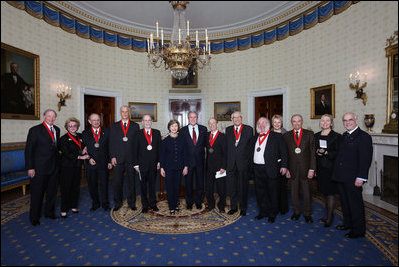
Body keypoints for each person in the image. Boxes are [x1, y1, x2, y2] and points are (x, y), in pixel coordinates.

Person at [332, 112, 372, 238]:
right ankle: (348, 223)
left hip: (354, 178)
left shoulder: (363, 136)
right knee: (344, 202)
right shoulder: (344, 136)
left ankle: (358, 230)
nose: (347, 122)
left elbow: (365, 159)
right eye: (345, 120)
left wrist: (361, 177)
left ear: (356, 120)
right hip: (341, 176)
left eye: (350, 120)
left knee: (355, 204)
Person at [25, 109, 60, 226]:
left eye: (53, 116)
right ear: (44, 116)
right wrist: (30, 167)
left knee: (52, 192)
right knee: (37, 194)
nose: (51, 118)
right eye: (49, 116)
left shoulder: (57, 130)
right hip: (39, 168)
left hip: (54, 168)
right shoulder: (35, 130)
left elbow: (55, 148)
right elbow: (29, 151)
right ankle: (34, 217)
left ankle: (49, 212)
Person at [251, 117, 288, 223]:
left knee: (272, 192)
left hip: (271, 168)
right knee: (260, 192)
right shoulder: (255, 138)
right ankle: (263, 212)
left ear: (268, 125)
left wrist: (284, 166)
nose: (261, 125)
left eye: (264, 123)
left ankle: (272, 213)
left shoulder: (277, 136)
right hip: (257, 169)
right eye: (259, 123)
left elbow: (284, 152)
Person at [283, 114, 316, 223]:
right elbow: (285, 154)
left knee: (307, 192)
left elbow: (312, 153)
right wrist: (286, 168)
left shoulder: (309, 134)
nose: (296, 123)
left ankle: (307, 213)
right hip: (292, 168)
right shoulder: (287, 135)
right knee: (294, 192)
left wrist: (312, 169)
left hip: (306, 168)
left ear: (302, 122)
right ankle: (296, 212)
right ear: (291, 123)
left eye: (298, 121)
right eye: (294, 121)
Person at [109, 105, 140, 211]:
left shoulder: (135, 126)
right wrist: (112, 156)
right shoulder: (114, 126)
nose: (125, 113)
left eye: (127, 112)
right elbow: (111, 142)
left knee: (132, 182)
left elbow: (137, 144)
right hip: (118, 159)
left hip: (131, 159)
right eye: (123, 112)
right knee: (117, 182)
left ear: (129, 113)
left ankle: (132, 203)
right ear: (120, 113)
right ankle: (118, 202)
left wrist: (137, 160)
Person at [59, 117, 90, 218]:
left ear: (77, 126)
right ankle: (64, 209)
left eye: (74, 125)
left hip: (77, 166)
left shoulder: (80, 136)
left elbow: (85, 145)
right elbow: (66, 153)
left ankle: (73, 206)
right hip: (67, 167)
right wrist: (80, 156)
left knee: (75, 187)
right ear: (67, 127)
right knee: (66, 187)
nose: (72, 127)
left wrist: (85, 148)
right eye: (70, 126)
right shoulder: (63, 139)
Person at [314, 114, 341, 227]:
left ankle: (329, 217)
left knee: (330, 194)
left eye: (327, 121)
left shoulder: (337, 136)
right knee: (324, 193)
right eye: (322, 121)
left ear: (331, 123)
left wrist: (326, 153)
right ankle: (326, 215)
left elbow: (339, 153)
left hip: (331, 169)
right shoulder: (316, 136)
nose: (324, 123)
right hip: (320, 169)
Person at [82, 113, 112, 211]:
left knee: (104, 184)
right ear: (89, 121)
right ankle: (95, 203)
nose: (96, 122)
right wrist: (89, 158)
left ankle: (105, 203)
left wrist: (109, 161)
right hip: (91, 163)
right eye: (93, 120)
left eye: (98, 120)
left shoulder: (107, 131)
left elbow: (110, 148)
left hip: (104, 162)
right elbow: (83, 148)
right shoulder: (85, 133)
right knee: (92, 184)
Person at [225, 111, 254, 216]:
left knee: (243, 187)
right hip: (231, 164)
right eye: (234, 118)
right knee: (232, 188)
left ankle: (243, 208)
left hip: (243, 164)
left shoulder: (248, 129)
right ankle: (233, 207)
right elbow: (227, 147)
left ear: (241, 118)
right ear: (232, 119)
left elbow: (251, 148)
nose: (236, 119)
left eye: (238, 117)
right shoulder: (228, 130)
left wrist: (250, 164)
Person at [179, 111, 207, 210]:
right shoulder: (182, 131)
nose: (193, 119)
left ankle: (199, 201)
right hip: (188, 162)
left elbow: (208, 143)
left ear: (197, 118)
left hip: (200, 161)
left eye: (195, 117)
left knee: (200, 183)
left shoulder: (203, 129)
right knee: (188, 183)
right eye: (191, 117)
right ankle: (189, 202)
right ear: (188, 118)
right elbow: (180, 148)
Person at [134, 114, 162, 213]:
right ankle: (145, 205)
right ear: (142, 122)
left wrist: (159, 162)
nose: (147, 122)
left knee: (152, 185)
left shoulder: (157, 133)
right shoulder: (138, 134)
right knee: (143, 186)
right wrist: (136, 164)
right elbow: (135, 150)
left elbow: (159, 149)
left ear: (151, 122)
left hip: (154, 164)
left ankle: (153, 204)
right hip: (142, 165)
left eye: (149, 120)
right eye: (145, 120)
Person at [160, 120, 189, 214]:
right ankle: (171, 206)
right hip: (168, 168)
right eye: (172, 126)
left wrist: (185, 166)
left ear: (178, 127)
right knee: (170, 187)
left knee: (177, 187)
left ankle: (175, 204)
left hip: (179, 167)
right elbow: (162, 155)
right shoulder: (165, 140)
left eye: (176, 126)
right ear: (169, 127)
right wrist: (162, 168)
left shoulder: (182, 139)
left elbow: (185, 154)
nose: (174, 128)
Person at [205, 118, 227, 213]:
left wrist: (224, 166)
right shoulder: (206, 135)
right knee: (209, 188)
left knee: (221, 188)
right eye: (210, 123)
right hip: (209, 166)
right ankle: (211, 204)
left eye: (214, 123)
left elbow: (226, 153)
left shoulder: (222, 136)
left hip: (220, 168)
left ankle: (221, 205)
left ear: (217, 124)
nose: (212, 125)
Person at [270, 114, 288, 215]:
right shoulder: (269, 133)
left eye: (279, 122)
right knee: (273, 187)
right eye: (275, 122)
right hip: (272, 164)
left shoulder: (286, 134)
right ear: (272, 123)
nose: (277, 124)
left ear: (281, 123)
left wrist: (285, 166)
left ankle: (283, 208)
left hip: (282, 164)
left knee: (282, 187)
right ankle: (274, 207)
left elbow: (287, 151)